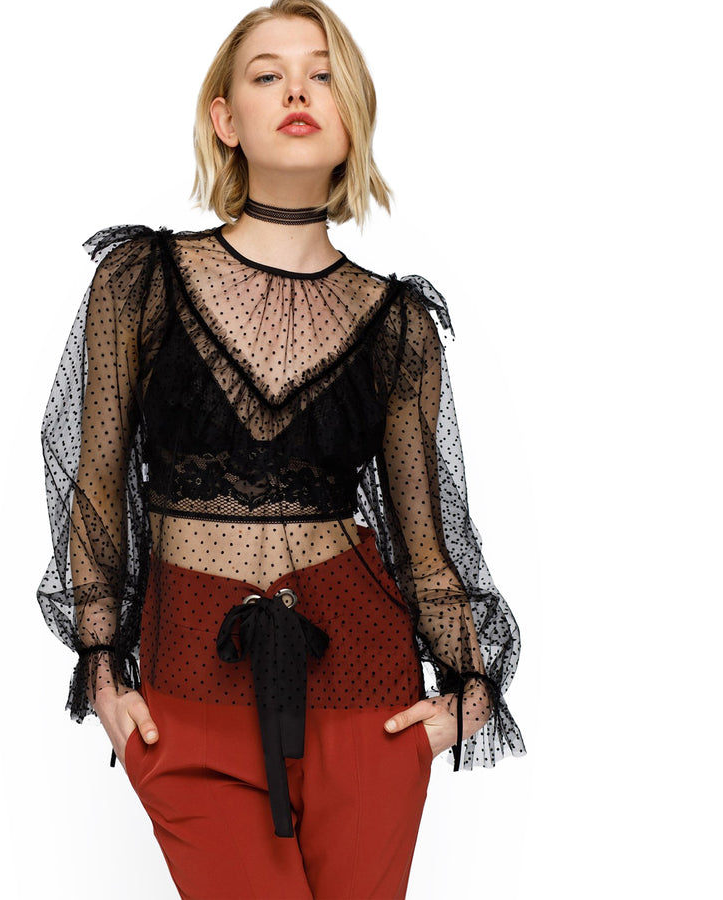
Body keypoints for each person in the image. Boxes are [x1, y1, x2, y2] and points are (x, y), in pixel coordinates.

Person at [36, 1, 525, 897]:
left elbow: (427, 545)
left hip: (368, 701)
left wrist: (470, 690)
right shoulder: (140, 281)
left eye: (323, 74)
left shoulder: (399, 325)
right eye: (268, 74)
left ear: (354, 117)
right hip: (189, 688)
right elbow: (94, 487)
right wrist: (102, 669)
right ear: (226, 119)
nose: (297, 89)